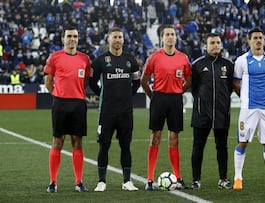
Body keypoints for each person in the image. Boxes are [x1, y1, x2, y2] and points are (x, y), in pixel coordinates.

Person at [140, 24, 192, 191]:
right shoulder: (154, 57)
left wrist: (178, 92)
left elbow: (189, 79)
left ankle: (178, 177)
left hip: (176, 100)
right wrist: (153, 97)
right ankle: (149, 179)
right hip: (159, 99)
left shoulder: (183, 58)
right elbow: (144, 80)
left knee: (174, 138)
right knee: (155, 137)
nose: (170, 37)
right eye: (167, 34)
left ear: (176, 37)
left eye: (173, 34)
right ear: (162, 38)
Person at [89, 27, 140, 192]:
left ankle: (127, 181)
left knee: (126, 146)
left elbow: (137, 81)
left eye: (120, 37)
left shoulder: (130, 60)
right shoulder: (100, 61)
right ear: (108, 40)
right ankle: (101, 181)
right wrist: (102, 94)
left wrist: (128, 95)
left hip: (126, 112)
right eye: (114, 37)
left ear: (123, 40)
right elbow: (91, 82)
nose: (117, 40)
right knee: (104, 145)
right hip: (107, 112)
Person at [232, 28, 265, 190]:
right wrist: (245, 98)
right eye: (255, 38)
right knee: (243, 141)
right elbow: (236, 82)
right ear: (249, 41)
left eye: (261, 37)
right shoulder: (241, 61)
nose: (258, 40)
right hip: (248, 109)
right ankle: (238, 178)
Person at [44, 26, 91, 193]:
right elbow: (48, 82)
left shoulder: (85, 59)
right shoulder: (54, 57)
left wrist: (76, 92)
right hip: (60, 104)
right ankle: (53, 182)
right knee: (58, 141)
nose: (72, 39)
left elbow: (85, 81)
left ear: (78, 39)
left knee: (77, 142)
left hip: (78, 104)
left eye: (75, 36)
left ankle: (79, 182)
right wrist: (58, 95)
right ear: (63, 39)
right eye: (69, 36)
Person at [190, 33, 234, 190]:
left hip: (222, 113)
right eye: (212, 43)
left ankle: (223, 178)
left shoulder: (228, 65)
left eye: (218, 42)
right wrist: (203, 103)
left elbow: (229, 88)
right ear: (206, 46)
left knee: (222, 146)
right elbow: (194, 89)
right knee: (198, 146)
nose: (215, 45)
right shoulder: (197, 64)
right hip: (202, 113)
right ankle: (196, 180)